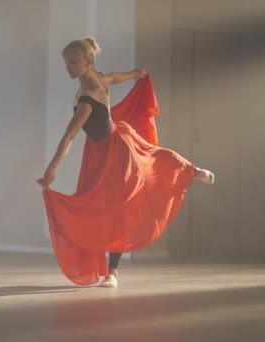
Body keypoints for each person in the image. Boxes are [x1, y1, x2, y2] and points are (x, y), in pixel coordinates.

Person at [38, 37, 214, 288]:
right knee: (103, 205)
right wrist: (134, 74)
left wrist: (53, 166)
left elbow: (69, 136)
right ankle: (191, 169)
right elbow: (113, 77)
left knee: (144, 173)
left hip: (116, 152)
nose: (68, 68)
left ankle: (113, 272)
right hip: (99, 153)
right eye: (66, 63)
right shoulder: (96, 78)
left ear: (87, 61)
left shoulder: (88, 100)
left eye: (72, 62)